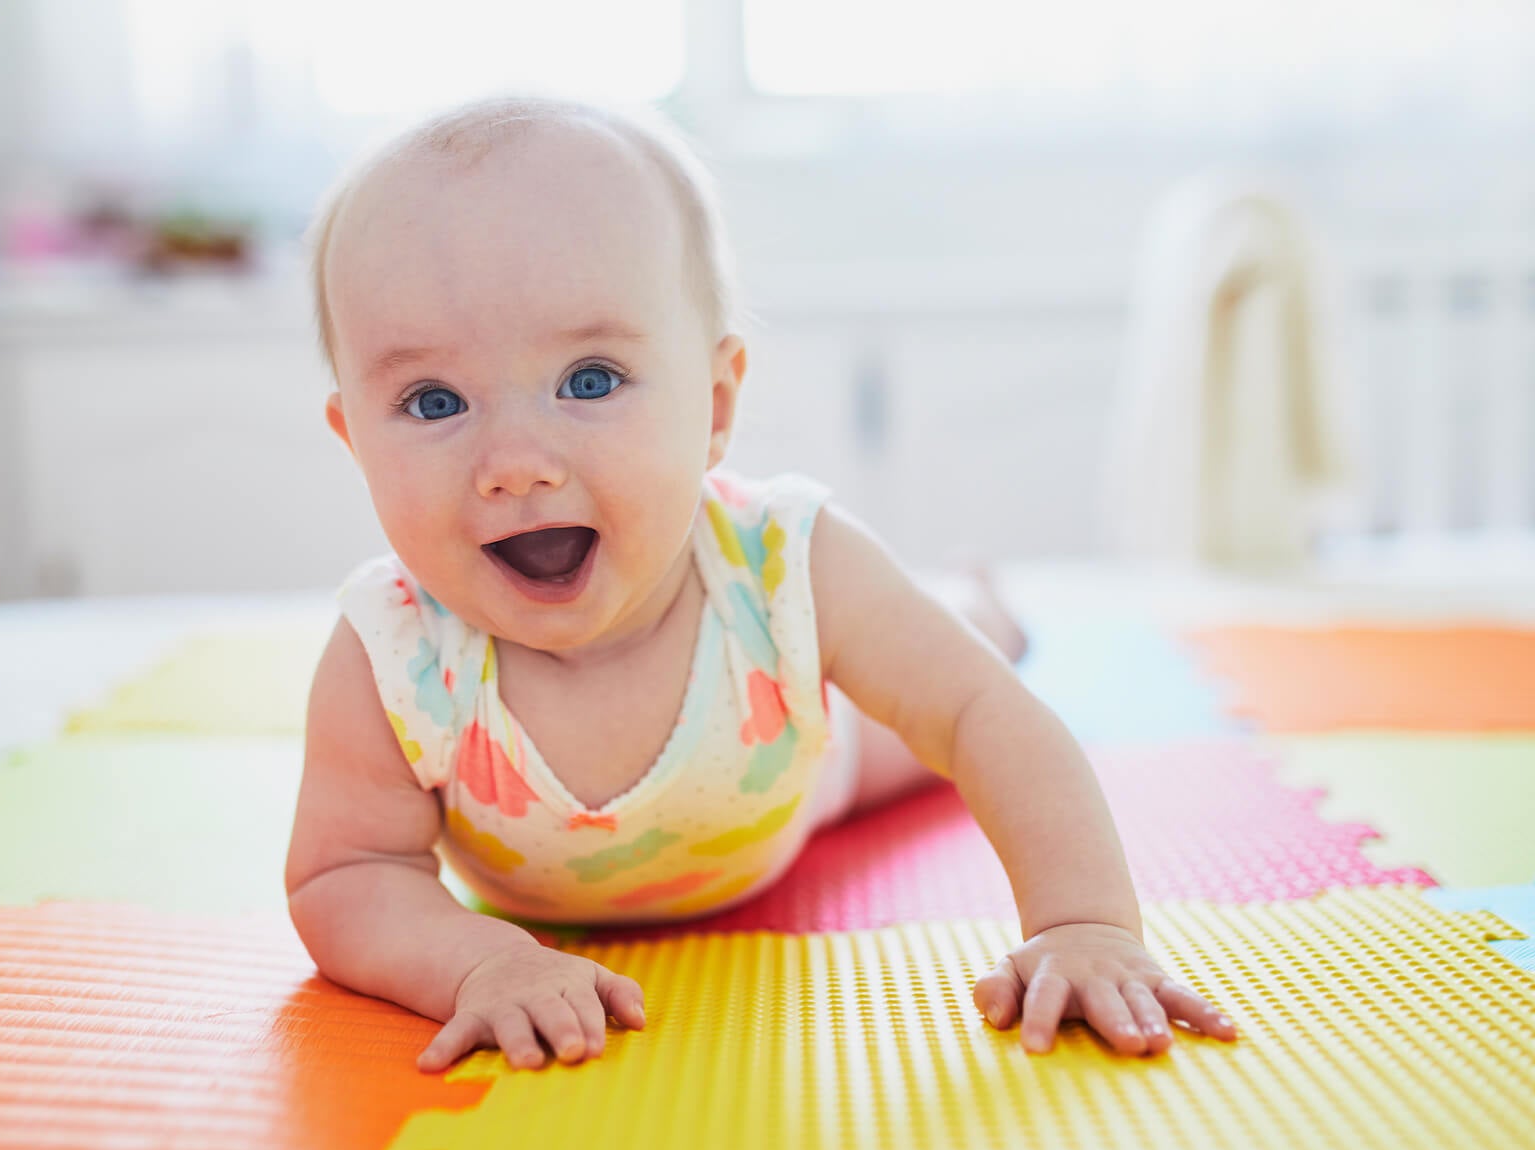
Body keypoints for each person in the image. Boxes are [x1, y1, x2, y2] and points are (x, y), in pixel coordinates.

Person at [285, 95, 1238, 1074]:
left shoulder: (787, 569)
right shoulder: (393, 653)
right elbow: (348, 872)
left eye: (590, 379)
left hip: (795, 756)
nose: (516, 461)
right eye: (433, 400)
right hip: (659, 826)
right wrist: (478, 961)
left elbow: (984, 713)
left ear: (715, 404)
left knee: (942, 676)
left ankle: (982, 604)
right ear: (355, 436)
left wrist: (1084, 921)